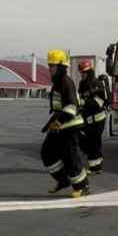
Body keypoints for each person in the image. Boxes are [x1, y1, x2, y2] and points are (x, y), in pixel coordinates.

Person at [41, 50, 90, 197]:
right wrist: (51, 124)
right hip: (60, 125)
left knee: (70, 157)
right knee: (47, 153)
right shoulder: (58, 82)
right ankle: (63, 180)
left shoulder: (65, 82)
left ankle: (83, 186)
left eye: (52, 65)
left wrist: (57, 121)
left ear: (61, 67)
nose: (49, 68)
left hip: (70, 126)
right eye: (49, 65)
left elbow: (71, 109)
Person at [76, 59, 110, 174]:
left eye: (84, 72)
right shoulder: (82, 84)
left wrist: (86, 103)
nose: (82, 74)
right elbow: (81, 96)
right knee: (88, 141)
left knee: (93, 143)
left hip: (98, 119)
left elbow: (99, 103)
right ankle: (98, 160)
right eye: (81, 72)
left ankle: (95, 168)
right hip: (88, 118)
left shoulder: (97, 84)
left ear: (90, 72)